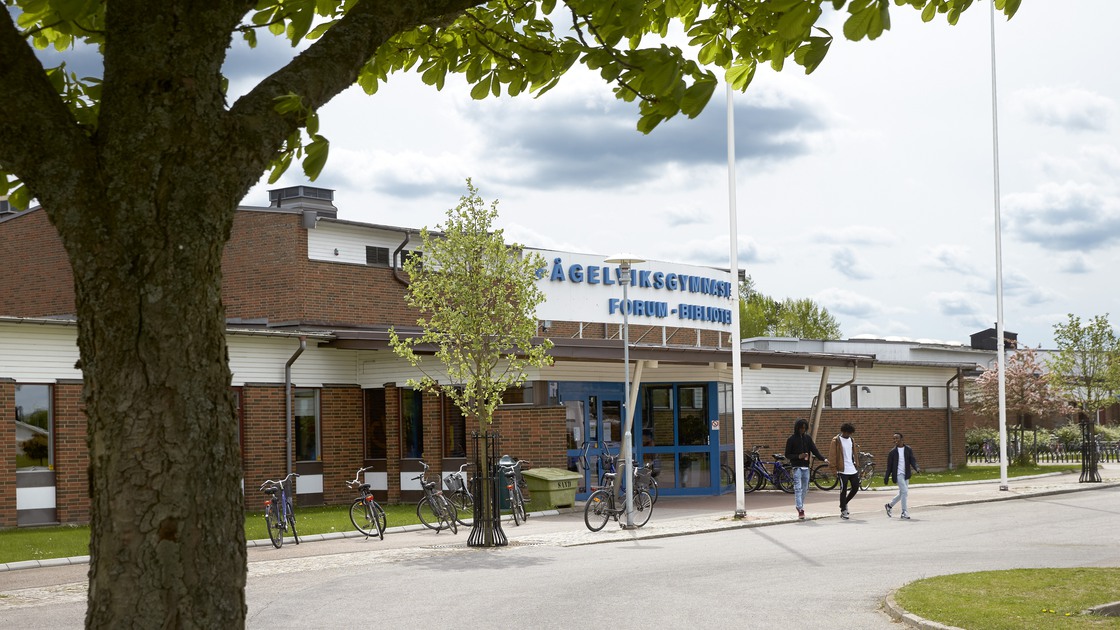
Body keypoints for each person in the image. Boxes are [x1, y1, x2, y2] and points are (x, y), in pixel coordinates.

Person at [784, 418, 826, 520]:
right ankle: (800, 508)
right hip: (796, 467)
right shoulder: (791, 439)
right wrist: (798, 456)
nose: (802, 430)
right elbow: (787, 454)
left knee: (805, 488)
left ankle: (800, 505)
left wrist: (823, 459)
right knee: (798, 488)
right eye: (801, 428)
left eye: (804, 428)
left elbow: (814, 450)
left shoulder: (808, 438)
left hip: (806, 467)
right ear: (797, 428)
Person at [828, 423, 861, 520]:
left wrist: (857, 464)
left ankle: (844, 503)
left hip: (852, 469)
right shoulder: (836, 440)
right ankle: (843, 510)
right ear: (843, 431)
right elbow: (832, 456)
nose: (848, 435)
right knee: (843, 490)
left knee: (855, 487)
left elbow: (854, 453)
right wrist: (834, 470)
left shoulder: (851, 440)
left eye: (850, 433)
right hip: (842, 470)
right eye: (847, 433)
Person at [884, 432, 920, 519]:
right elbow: (889, 466)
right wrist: (886, 477)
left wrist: (917, 468)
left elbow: (912, 460)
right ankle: (904, 512)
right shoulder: (892, 452)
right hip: (898, 474)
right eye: (894, 438)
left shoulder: (908, 449)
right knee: (904, 491)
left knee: (903, 493)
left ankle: (889, 505)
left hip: (906, 474)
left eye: (897, 438)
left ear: (902, 439)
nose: (895, 440)